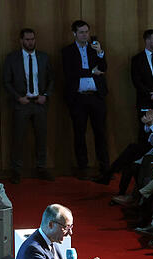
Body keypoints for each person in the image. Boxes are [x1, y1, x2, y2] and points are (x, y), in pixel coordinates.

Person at [2, 28, 54, 184]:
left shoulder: (43, 57)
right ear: (21, 40)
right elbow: (6, 81)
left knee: (41, 137)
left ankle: (41, 168)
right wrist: (18, 97)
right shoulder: (12, 58)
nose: (30, 42)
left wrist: (46, 95)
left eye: (32, 39)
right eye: (27, 39)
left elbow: (51, 79)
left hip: (39, 103)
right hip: (22, 103)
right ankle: (16, 171)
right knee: (18, 138)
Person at [61, 20, 109, 178]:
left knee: (100, 133)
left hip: (96, 97)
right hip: (78, 98)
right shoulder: (67, 51)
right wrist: (91, 71)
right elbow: (71, 73)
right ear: (74, 33)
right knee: (79, 134)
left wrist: (100, 53)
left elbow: (103, 69)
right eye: (81, 32)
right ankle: (83, 168)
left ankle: (105, 167)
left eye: (87, 32)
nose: (85, 35)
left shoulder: (94, 48)